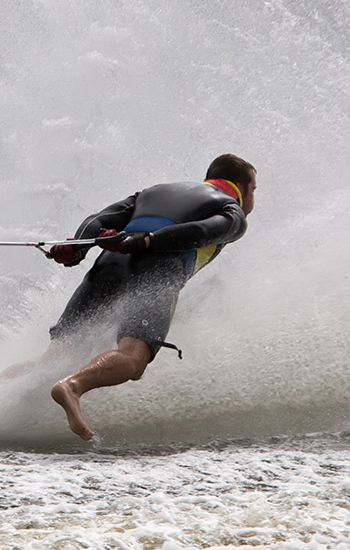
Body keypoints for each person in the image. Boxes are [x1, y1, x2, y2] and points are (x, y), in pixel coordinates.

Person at [29, 153, 258, 441]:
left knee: (51, 358)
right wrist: (148, 241)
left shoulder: (153, 192)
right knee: (134, 358)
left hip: (109, 263)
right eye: (254, 190)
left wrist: (78, 247)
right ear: (240, 186)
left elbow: (99, 220)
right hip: (157, 273)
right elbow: (201, 232)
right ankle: (72, 386)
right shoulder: (230, 209)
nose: (253, 200)